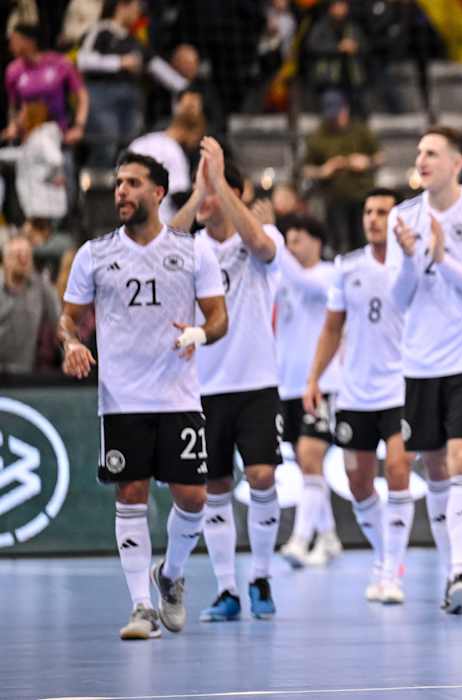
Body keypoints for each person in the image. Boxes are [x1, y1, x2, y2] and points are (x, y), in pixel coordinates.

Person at [59, 151, 227, 640]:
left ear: (158, 192)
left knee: (193, 497)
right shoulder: (95, 254)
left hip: (177, 395)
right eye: (118, 183)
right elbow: (69, 318)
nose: (121, 192)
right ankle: (141, 608)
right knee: (130, 492)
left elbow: (219, 317)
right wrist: (71, 344)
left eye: (133, 183)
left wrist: (199, 333)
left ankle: (170, 574)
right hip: (122, 398)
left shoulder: (193, 251)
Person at [386, 126, 462, 614]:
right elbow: (399, 298)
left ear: (457, 163)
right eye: (419, 152)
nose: (422, 159)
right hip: (421, 362)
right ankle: (449, 570)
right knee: (435, 466)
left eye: (432, 153)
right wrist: (412, 258)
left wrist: (442, 258)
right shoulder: (402, 216)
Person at [168, 137, 284, 623]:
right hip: (203, 387)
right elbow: (160, 247)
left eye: (215, 190)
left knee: (262, 476)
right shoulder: (192, 248)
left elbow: (261, 246)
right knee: (214, 486)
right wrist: (201, 190)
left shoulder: (262, 235)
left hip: (256, 382)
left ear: (235, 193)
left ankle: (261, 577)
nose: (206, 199)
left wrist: (222, 184)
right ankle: (227, 589)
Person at [305, 188, 410, 604]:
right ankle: (384, 555)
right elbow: (332, 328)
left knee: (398, 470)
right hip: (355, 393)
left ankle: (392, 572)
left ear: (397, 219)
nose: (373, 218)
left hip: (401, 387)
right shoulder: (347, 267)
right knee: (358, 481)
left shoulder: (412, 265)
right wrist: (314, 378)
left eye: (382, 211)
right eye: (368, 211)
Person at [273, 215, 344, 568]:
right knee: (305, 463)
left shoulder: (330, 275)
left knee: (310, 455)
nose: (290, 248)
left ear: (317, 241)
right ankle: (328, 537)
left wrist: (271, 238)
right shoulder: (283, 279)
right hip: (287, 385)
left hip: (322, 384)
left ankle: (300, 540)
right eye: (286, 241)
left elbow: (303, 282)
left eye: (296, 240)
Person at [77, 0, 187, 166]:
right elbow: (83, 60)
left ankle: (123, 180)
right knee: (106, 146)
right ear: (122, 6)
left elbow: (157, 67)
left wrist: (187, 87)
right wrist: (120, 62)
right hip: (102, 95)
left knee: (131, 148)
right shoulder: (100, 31)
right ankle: (98, 182)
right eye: (136, 7)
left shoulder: (135, 41)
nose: (138, 12)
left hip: (131, 99)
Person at [302, 91, 381, 253]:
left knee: (363, 242)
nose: (334, 120)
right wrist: (323, 170)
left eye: (337, 115)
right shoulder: (318, 135)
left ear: (345, 110)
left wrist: (366, 162)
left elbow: (381, 157)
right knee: (339, 245)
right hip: (334, 200)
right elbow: (305, 169)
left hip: (362, 197)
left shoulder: (360, 130)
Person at [127, 88, 207, 224]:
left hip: (133, 219)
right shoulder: (173, 151)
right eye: (196, 137)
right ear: (188, 130)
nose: (195, 143)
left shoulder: (140, 142)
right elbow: (178, 195)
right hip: (163, 222)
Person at [3, 23, 88, 147]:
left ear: (29, 42)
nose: (10, 45)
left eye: (14, 40)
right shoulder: (13, 70)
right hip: (28, 137)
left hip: (59, 134)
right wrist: (12, 125)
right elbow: (14, 106)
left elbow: (82, 96)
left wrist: (79, 127)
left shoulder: (61, 63)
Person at [0, 235, 61, 374]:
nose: (24, 260)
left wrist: (70, 347)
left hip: (25, 374)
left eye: (27, 255)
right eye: (18, 255)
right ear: (6, 259)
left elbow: (59, 323)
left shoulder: (42, 287)